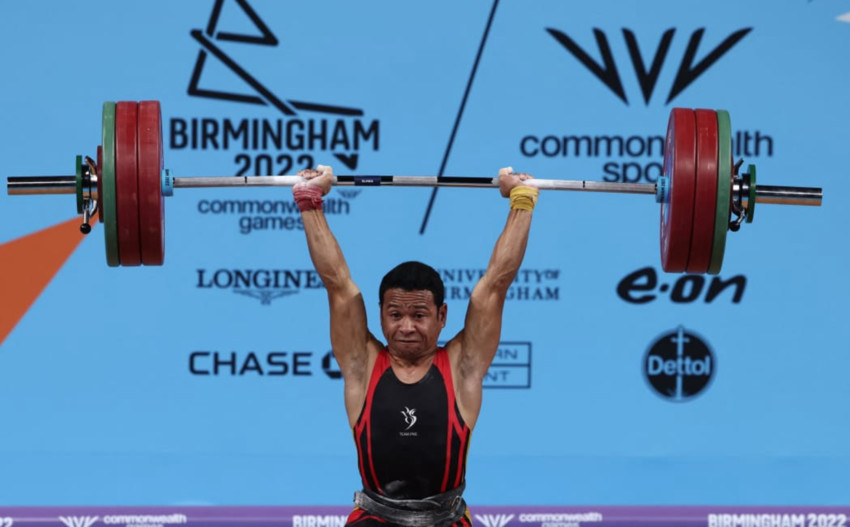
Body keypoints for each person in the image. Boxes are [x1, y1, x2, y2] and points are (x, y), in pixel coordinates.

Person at [293, 165, 540, 527]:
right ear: (380, 314)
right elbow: (337, 283)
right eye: (395, 314)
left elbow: (496, 285)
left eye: (419, 315)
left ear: (442, 315)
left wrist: (522, 200)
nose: (406, 326)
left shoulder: (462, 366)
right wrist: (309, 200)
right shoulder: (362, 363)